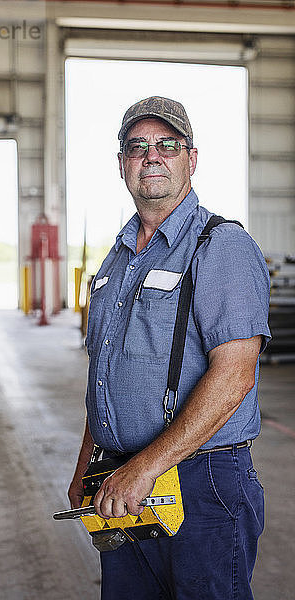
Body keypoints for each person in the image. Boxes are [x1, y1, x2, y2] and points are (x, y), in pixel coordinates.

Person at [68, 96, 271, 600]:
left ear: (190, 159)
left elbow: (235, 374)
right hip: (121, 480)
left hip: (201, 484)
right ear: (122, 165)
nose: (151, 155)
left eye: (166, 145)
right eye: (137, 147)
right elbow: (108, 372)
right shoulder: (117, 259)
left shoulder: (220, 246)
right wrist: (87, 466)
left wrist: (145, 467)